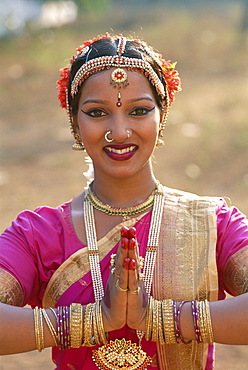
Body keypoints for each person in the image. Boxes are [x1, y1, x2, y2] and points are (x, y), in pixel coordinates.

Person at [0, 33, 247, 370]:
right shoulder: (38, 234)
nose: (119, 132)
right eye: (97, 112)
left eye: (139, 111)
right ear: (75, 122)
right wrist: (95, 320)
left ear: (162, 116)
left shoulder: (213, 223)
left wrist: (160, 317)